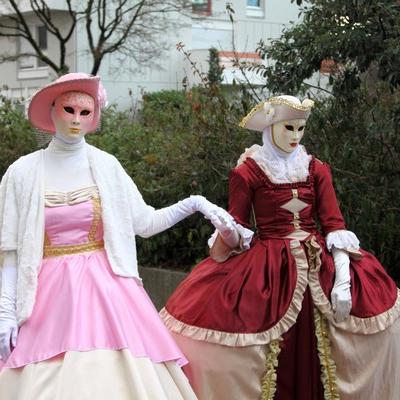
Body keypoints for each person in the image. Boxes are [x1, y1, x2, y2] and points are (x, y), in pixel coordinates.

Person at [0, 72, 239, 399]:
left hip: (109, 289)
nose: (76, 119)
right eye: (69, 109)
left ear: (94, 117)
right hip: (45, 295)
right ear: (52, 110)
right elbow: (10, 251)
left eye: (85, 112)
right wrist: (5, 314)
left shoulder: (107, 166)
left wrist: (194, 203)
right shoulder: (22, 172)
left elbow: (145, 222)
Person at [161, 95, 400, 400]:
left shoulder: (316, 170)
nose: (296, 136)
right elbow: (238, 230)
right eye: (289, 127)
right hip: (269, 267)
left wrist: (342, 279)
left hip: (320, 265)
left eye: (301, 129)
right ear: (272, 126)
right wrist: (225, 227)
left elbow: (334, 226)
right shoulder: (248, 172)